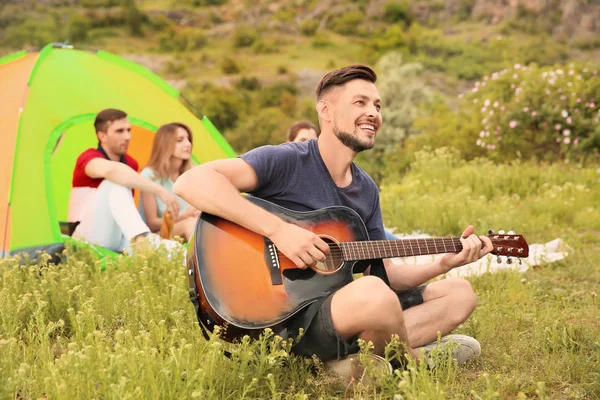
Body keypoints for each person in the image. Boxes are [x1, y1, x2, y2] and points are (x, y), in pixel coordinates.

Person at [173, 65, 492, 377]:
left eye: (377, 105)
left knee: (459, 293)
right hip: (286, 316)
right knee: (374, 295)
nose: (373, 113)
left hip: (339, 309)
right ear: (325, 110)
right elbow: (191, 183)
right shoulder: (288, 160)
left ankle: (353, 364)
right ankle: (411, 360)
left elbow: (383, 274)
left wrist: (444, 264)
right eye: (360, 102)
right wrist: (280, 231)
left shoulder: (366, 190)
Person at [68, 108, 181, 253]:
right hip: (85, 236)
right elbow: (111, 171)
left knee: (174, 250)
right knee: (115, 182)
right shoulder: (88, 157)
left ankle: (144, 242)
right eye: (120, 131)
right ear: (102, 136)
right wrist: (160, 190)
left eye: (128, 130)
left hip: (118, 236)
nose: (127, 137)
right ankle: (141, 241)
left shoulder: (131, 163)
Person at [139, 123, 200, 241]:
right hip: (160, 234)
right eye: (180, 140)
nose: (188, 144)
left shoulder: (193, 172)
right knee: (189, 223)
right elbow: (152, 223)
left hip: (192, 225)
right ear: (166, 144)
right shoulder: (149, 175)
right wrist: (184, 216)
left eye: (188, 139)